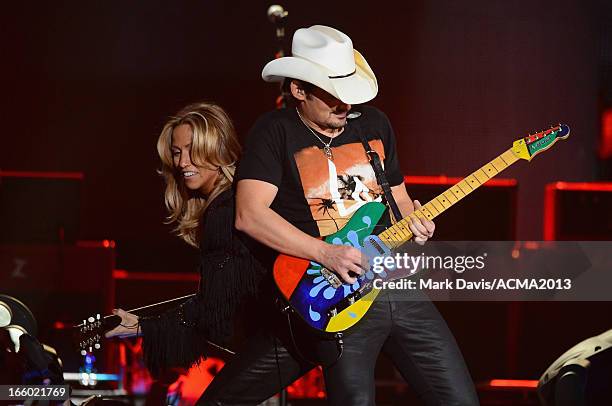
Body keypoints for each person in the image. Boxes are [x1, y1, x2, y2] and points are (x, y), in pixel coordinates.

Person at [227, 25, 479, 405]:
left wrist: (417, 224)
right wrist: (325, 253)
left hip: (399, 285)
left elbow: (399, 202)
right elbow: (249, 215)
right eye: (333, 95)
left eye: (348, 92)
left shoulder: (374, 124)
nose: (345, 105)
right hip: (338, 295)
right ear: (299, 90)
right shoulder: (274, 132)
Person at [105, 102, 266, 377]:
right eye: (177, 153)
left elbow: (215, 313)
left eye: (192, 151)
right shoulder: (232, 201)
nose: (181, 163)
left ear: (217, 148)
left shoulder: (224, 211)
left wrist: (144, 327)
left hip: (268, 348)